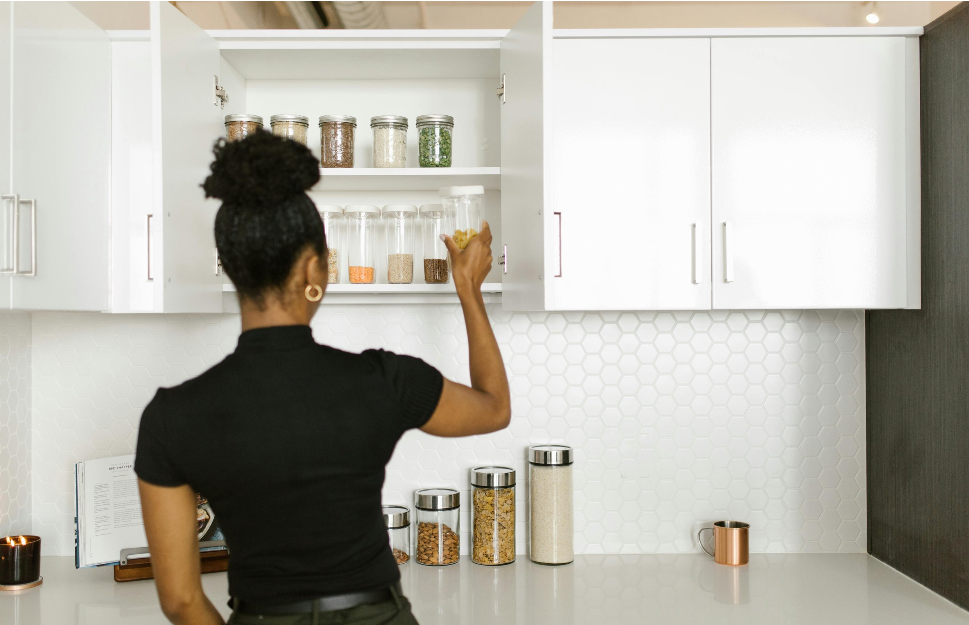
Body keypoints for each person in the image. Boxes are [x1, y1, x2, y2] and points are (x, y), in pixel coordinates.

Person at [134, 131, 511, 625]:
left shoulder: (171, 417)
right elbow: (494, 407)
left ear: (229, 268)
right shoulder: (383, 379)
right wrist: (468, 289)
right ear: (316, 268)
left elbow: (180, 600)